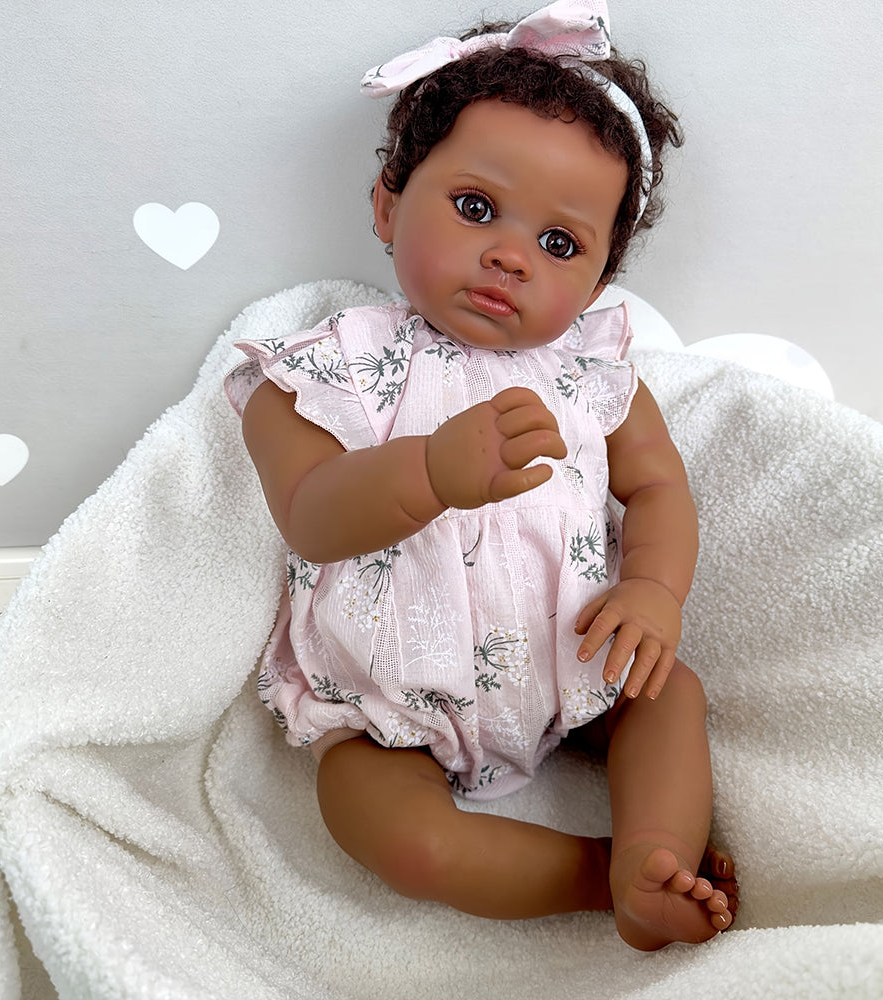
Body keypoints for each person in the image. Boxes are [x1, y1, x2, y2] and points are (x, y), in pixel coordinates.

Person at [226, 0, 737, 951]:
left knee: (672, 697)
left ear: (599, 280)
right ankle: (600, 873)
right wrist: (427, 470)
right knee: (399, 838)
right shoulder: (326, 368)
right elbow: (308, 514)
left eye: (560, 244)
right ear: (388, 202)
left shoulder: (594, 373)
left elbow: (658, 489)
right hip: (389, 707)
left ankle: (653, 855)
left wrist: (654, 590)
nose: (509, 254)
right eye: (475, 208)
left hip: (574, 659)